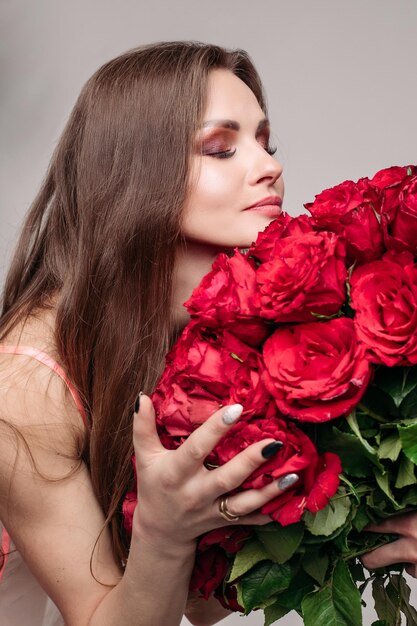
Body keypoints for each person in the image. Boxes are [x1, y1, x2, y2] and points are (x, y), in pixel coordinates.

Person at [0, 41, 292, 626]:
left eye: (265, 142)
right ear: (134, 174)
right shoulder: (25, 385)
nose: (269, 166)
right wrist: (165, 530)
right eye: (221, 147)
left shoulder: (206, 336)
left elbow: (203, 605)